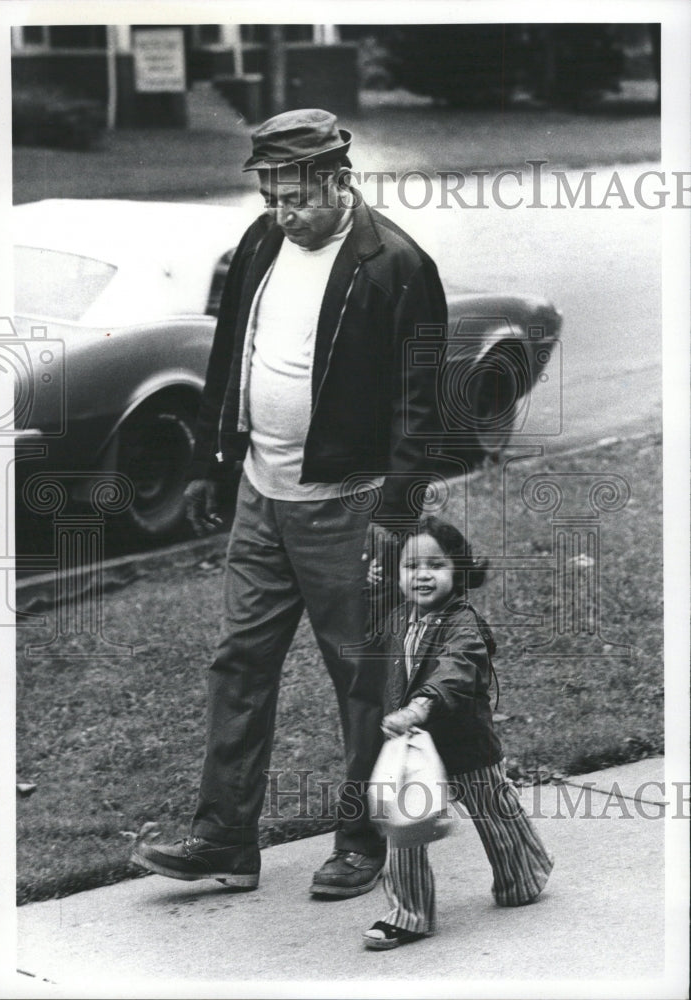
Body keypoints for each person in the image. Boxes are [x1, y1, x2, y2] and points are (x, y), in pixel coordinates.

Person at [131, 108, 449, 898]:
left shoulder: (397, 264)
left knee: (362, 677)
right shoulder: (261, 243)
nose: (283, 213)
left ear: (341, 181)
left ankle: (365, 836)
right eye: (271, 196)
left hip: (349, 508)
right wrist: (213, 461)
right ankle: (225, 841)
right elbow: (230, 352)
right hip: (261, 498)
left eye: (298, 197)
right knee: (239, 662)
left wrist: (396, 515)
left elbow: (422, 407)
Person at [362, 515, 554, 948]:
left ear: (460, 570)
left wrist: (420, 704)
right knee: (404, 827)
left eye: (436, 565)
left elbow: (457, 669)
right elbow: (363, 616)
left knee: (497, 815)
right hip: (415, 750)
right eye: (411, 567)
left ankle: (524, 873)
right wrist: (370, 585)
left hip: (465, 742)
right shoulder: (399, 618)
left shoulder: (464, 624)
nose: (423, 575)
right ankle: (408, 914)